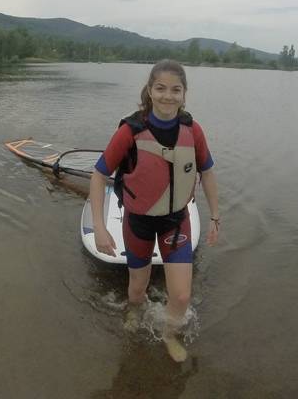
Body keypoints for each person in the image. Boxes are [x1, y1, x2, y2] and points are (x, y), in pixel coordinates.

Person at [88, 59, 220, 362]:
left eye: (176, 90)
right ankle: (134, 311)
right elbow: (99, 175)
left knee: (182, 296)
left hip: (176, 221)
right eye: (160, 88)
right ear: (150, 90)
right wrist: (99, 225)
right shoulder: (130, 130)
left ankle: (169, 334)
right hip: (139, 223)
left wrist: (215, 215)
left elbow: (208, 172)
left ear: (185, 94)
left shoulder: (193, 130)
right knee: (136, 290)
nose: (167, 96)